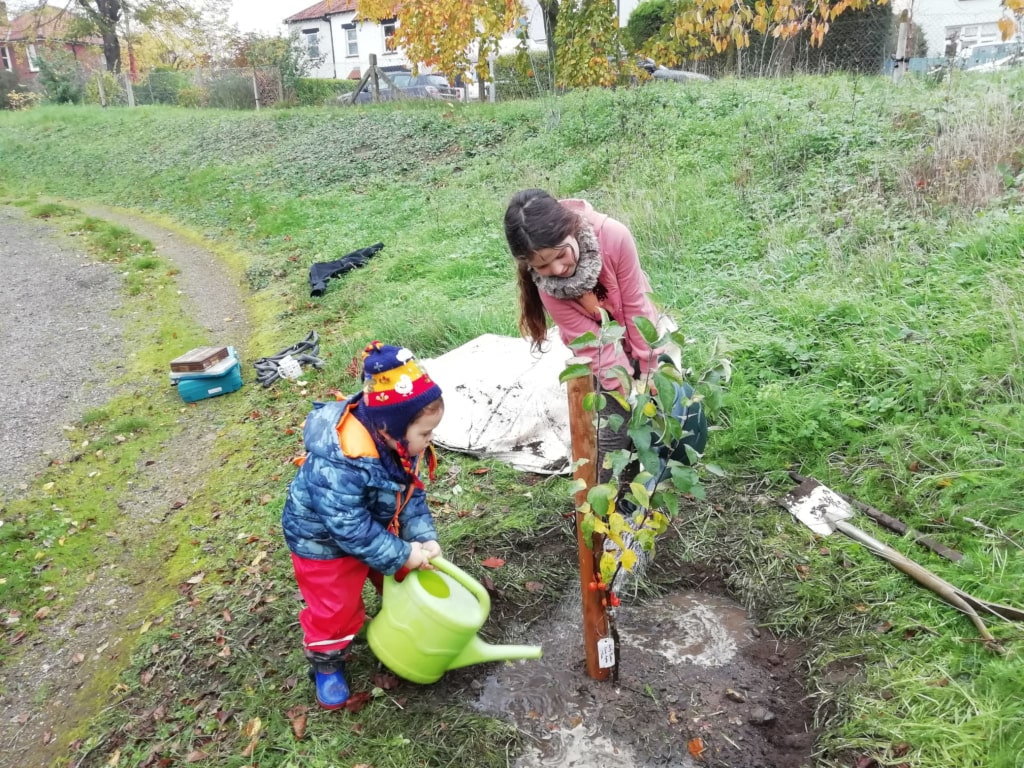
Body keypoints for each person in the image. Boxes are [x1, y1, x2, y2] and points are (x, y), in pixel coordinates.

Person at [281, 341, 444, 709]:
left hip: (373, 528)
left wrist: (421, 538)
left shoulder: (400, 447)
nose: (431, 441)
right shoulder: (340, 461)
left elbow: (410, 496)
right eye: (426, 434)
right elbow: (348, 528)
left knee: (402, 580)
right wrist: (402, 552)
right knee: (335, 608)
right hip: (323, 544)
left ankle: (400, 630)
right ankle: (327, 661)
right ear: (389, 429)